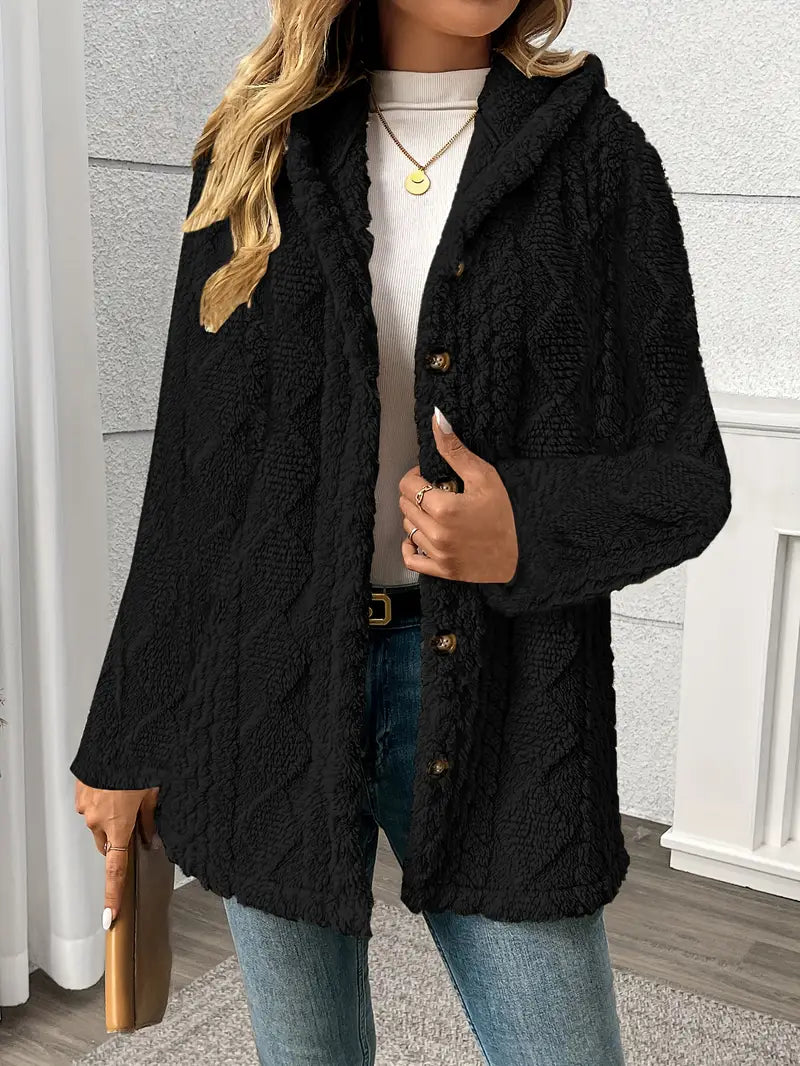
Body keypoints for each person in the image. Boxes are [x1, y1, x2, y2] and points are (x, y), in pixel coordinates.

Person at [72, 1, 732, 1062]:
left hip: (508, 695)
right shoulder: (256, 146)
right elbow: (198, 480)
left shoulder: (596, 158)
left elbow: (686, 476)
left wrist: (524, 529)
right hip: (270, 684)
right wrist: (126, 736)